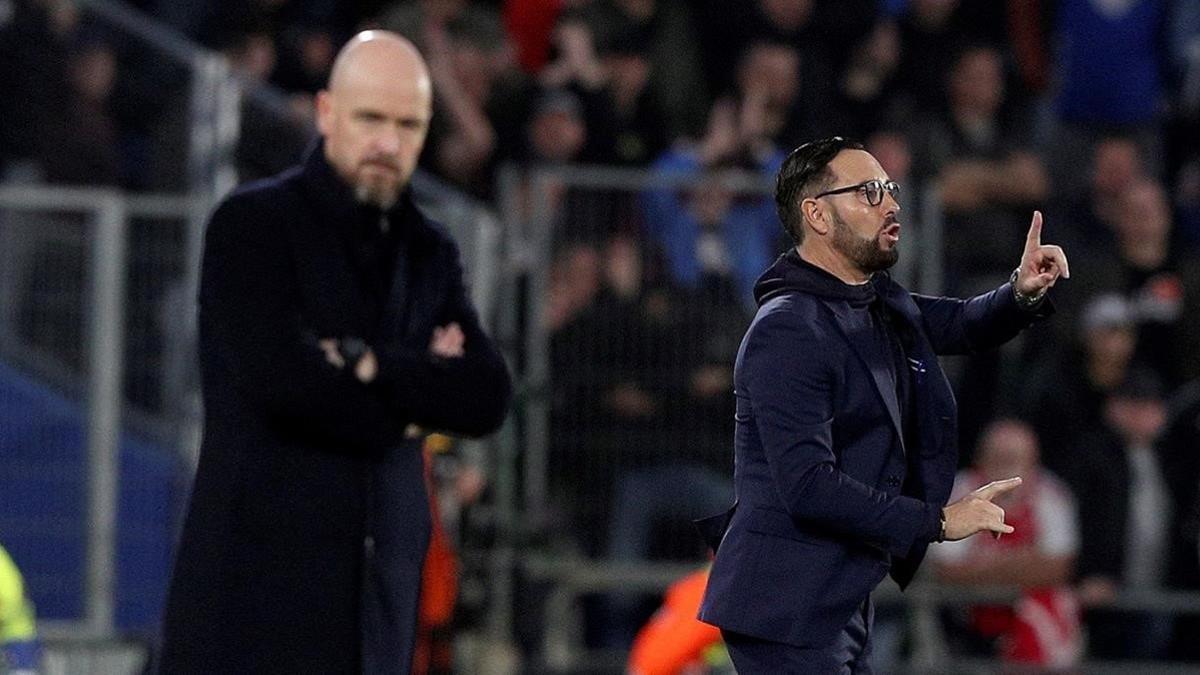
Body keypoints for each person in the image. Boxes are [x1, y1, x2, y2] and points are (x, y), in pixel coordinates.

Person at [159, 31, 512, 674]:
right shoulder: (253, 227)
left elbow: (485, 394)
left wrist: (369, 363)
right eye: (370, 118)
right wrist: (414, 392)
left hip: (378, 614)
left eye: (408, 125)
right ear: (326, 113)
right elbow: (288, 384)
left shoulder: (428, 250)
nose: (388, 142)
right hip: (252, 611)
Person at [695, 136, 1068, 672]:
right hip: (787, 607)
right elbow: (808, 486)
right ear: (817, 215)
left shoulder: (869, 302)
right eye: (869, 192)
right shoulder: (789, 330)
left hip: (834, 598)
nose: (891, 204)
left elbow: (960, 322)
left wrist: (1023, 289)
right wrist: (937, 520)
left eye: (889, 189)